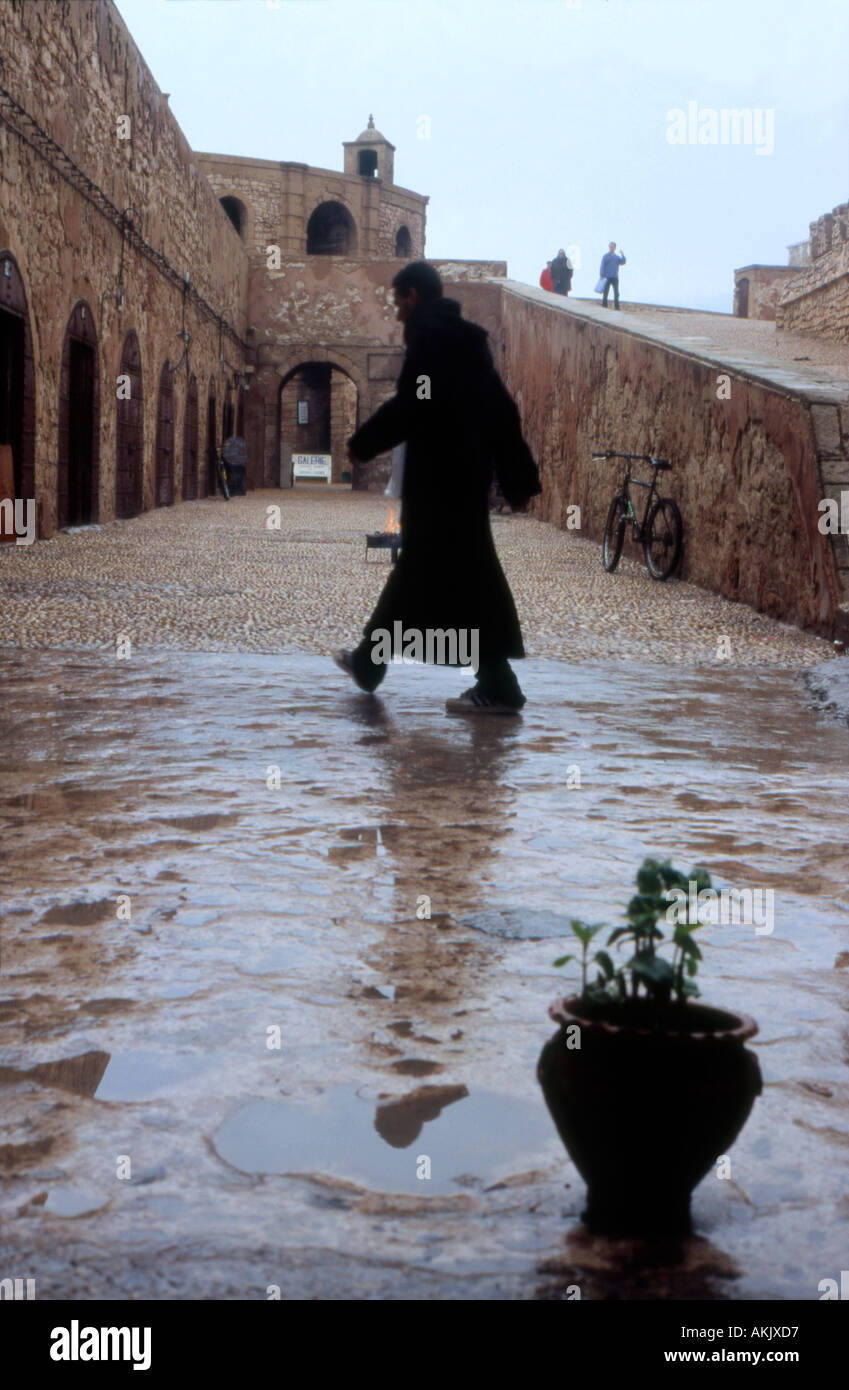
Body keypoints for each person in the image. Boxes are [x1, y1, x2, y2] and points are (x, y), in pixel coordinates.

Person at [335, 260, 540, 715]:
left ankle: (379, 663)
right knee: (458, 579)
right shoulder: (469, 343)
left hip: (437, 483)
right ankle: (378, 662)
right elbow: (499, 409)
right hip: (465, 482)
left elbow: (415, 404)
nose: (396, 312)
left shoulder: (429, 339)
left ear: (412, 295)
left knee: (428, 574)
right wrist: (516, 476)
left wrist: (363, 444)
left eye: (397, 302)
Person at [599, 242, 626, 309]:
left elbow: (623, 262)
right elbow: (602, 266)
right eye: (610, 247)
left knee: (616, 293)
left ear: (614, 248)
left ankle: (616, 306)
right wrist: (602, 275)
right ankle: (604, 305)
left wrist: (623, 255)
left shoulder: (617, 257)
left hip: (615, 277)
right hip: (607, 277)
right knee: (606, 292)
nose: (611, 248)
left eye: (612, 247)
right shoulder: (605, 256)